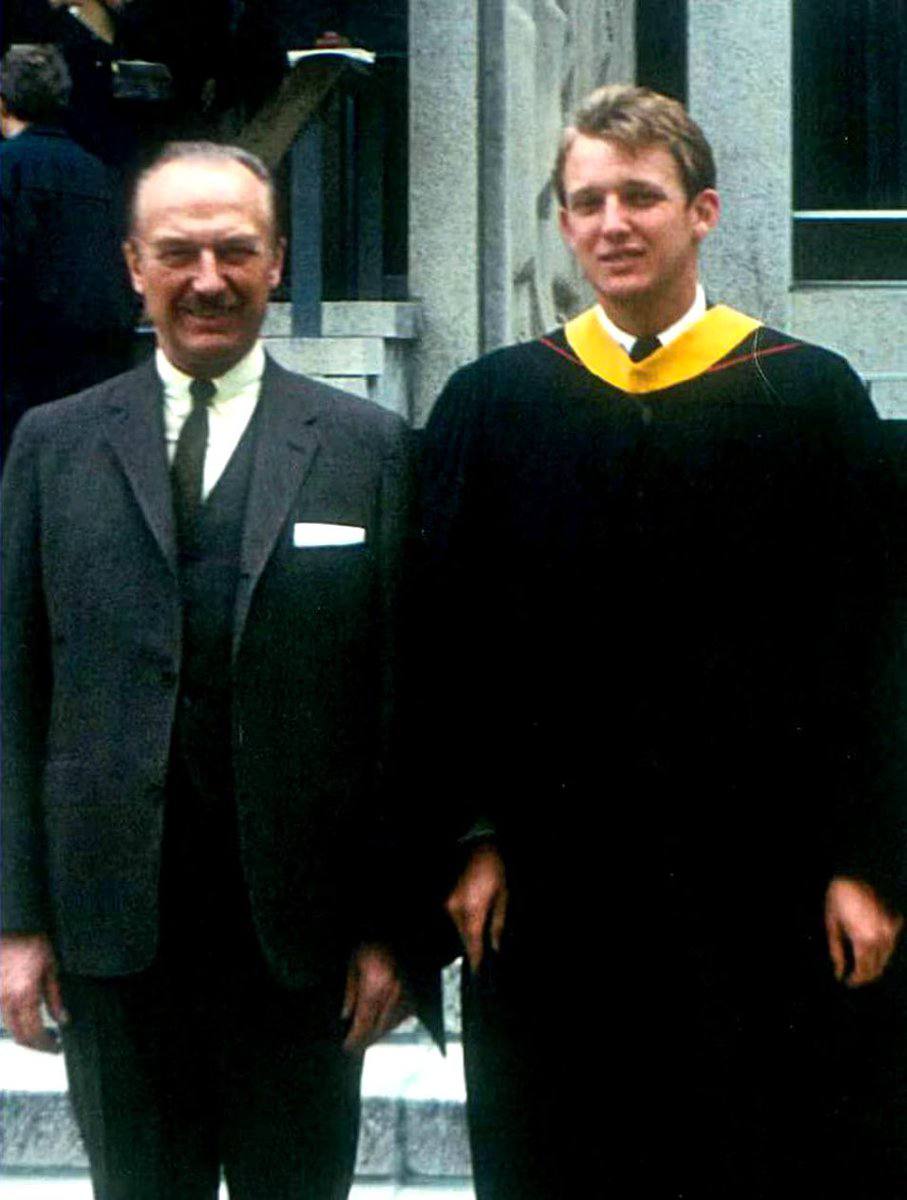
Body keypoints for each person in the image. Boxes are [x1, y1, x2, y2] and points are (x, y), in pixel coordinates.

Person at [420, 85, 904, 1198]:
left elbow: (874, 654)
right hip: (556, 893)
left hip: (762, 888)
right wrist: (473, 837)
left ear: (704, 213)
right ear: (563, 224)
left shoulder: (808, 399)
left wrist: (866, 862)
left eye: (639, 196)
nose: (611, 223)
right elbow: (445, 656)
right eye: (585, 201)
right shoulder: (494, 407)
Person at [1, 140, 436, 1200]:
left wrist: (394, 932)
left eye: (235, 251)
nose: (208, 279)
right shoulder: (51, 447)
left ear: (278, 261)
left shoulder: (370, 448)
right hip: (117, 934)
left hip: (303, 945)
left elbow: (404, 710)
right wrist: (17, 921)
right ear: (133, 266)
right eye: (179, 253)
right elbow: (14, 698)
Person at [0, 42, 137, 462]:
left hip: (23, 369)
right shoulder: (100, 173)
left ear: (3, 102)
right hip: (100, 365)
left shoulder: (8, 167)